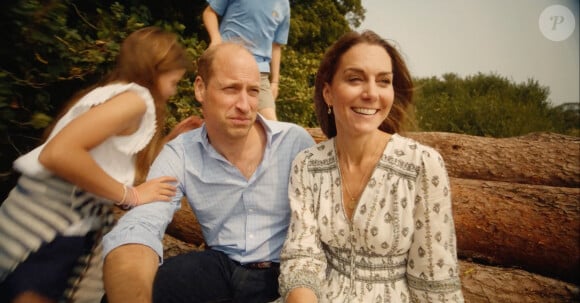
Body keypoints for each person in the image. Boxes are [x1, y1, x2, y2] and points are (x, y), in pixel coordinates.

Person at [100, 42, 315, 303]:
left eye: (253, 91)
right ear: (200, 88)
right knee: (118, 294)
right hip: (221, 266)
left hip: (285, 272)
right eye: (231, 89)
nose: (245, 105)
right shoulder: (181, 154)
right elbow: (143, 223)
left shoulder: (295, 142)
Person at [0, 26, 191, 303]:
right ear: (157, 69)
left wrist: (170, 141)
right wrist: (132, 196)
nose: (173, 92)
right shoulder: (136, 100)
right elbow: (58, 153)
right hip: (52, 225)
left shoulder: (110, 93)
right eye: (174, 82)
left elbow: (111, 162)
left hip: (40, 217)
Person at [276, 30, 465, 302]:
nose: (371, 93)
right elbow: (303, 255)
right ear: (328, 92)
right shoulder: (307, 165)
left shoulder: (422, 165)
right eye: (355, 79)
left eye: (384, 81)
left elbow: (435, 279)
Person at [202, 0, 290, 121]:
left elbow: (276, 46)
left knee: (271, 124)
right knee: (219, 118)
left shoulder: (283, 4)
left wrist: (275, 82)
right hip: (228, 64)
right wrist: (216, 39)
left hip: (260, 72)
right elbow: (209, 12)